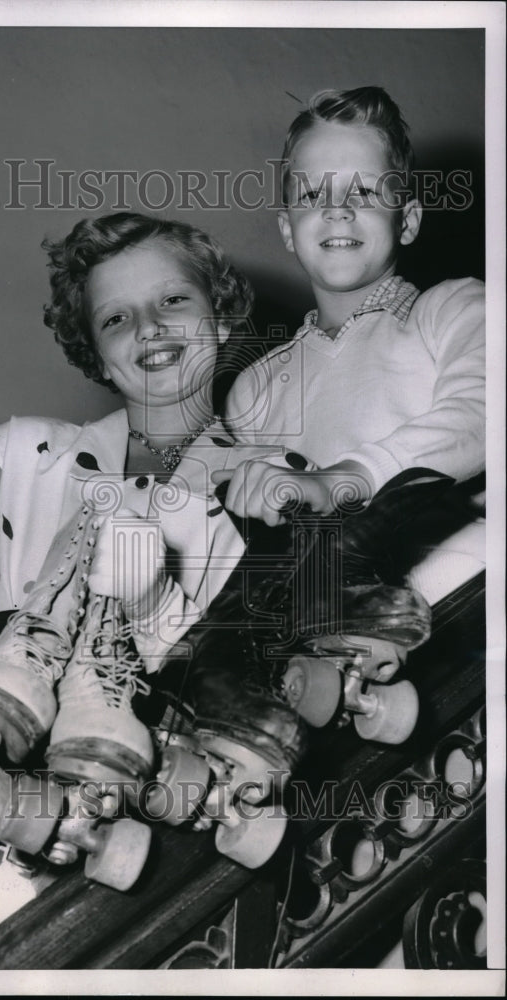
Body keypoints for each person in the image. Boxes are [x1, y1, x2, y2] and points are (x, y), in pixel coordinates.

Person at [0, 212, 284, 964]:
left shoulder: (275, 497)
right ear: (95, 352)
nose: (149, 329)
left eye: (173, 300)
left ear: (221, 316)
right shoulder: (28, 455)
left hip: (110, 851)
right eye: (116, 317)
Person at [185, 87, 485, 742]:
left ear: (407, 219)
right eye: (312, 194)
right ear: (286, 227)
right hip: (305, 616)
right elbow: (205, 506)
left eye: (364, 192)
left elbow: (481, 413)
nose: (337, 209)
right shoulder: (254, 388)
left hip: (443, 580)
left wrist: (343, 479)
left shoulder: (451, 309)